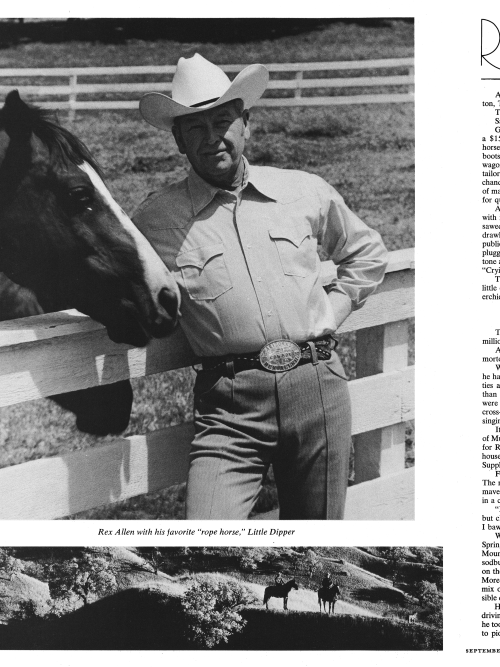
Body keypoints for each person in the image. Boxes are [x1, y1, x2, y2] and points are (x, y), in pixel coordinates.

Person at [133, 54, 388, 520]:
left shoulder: (302, 190)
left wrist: (333, 311)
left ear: (246, 124)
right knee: (208, 536)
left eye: (223, 122)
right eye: (195, 128)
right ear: (178, 141)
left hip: (317, 389)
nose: (212, 137)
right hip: (229, 406)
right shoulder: (154, 220)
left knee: (316, 542)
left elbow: (366, 252)